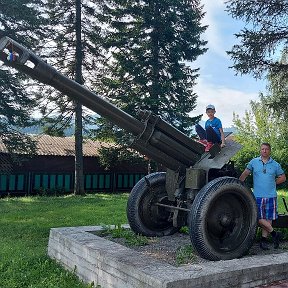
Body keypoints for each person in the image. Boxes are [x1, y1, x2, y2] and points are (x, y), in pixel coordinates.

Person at [239, 143, 286, 250]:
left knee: (268, 219)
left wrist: (273, 182)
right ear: (260, 150)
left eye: (266, 149)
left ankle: (263, 241)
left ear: (270, 151)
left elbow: (283, 177)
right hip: (257, 196)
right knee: (257, 217)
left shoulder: (275, 164)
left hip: (271, 196)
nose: (264, 151)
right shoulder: (254, 162)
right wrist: (238, 184)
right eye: (262, 149)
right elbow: (245, 174)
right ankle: (274, 234)